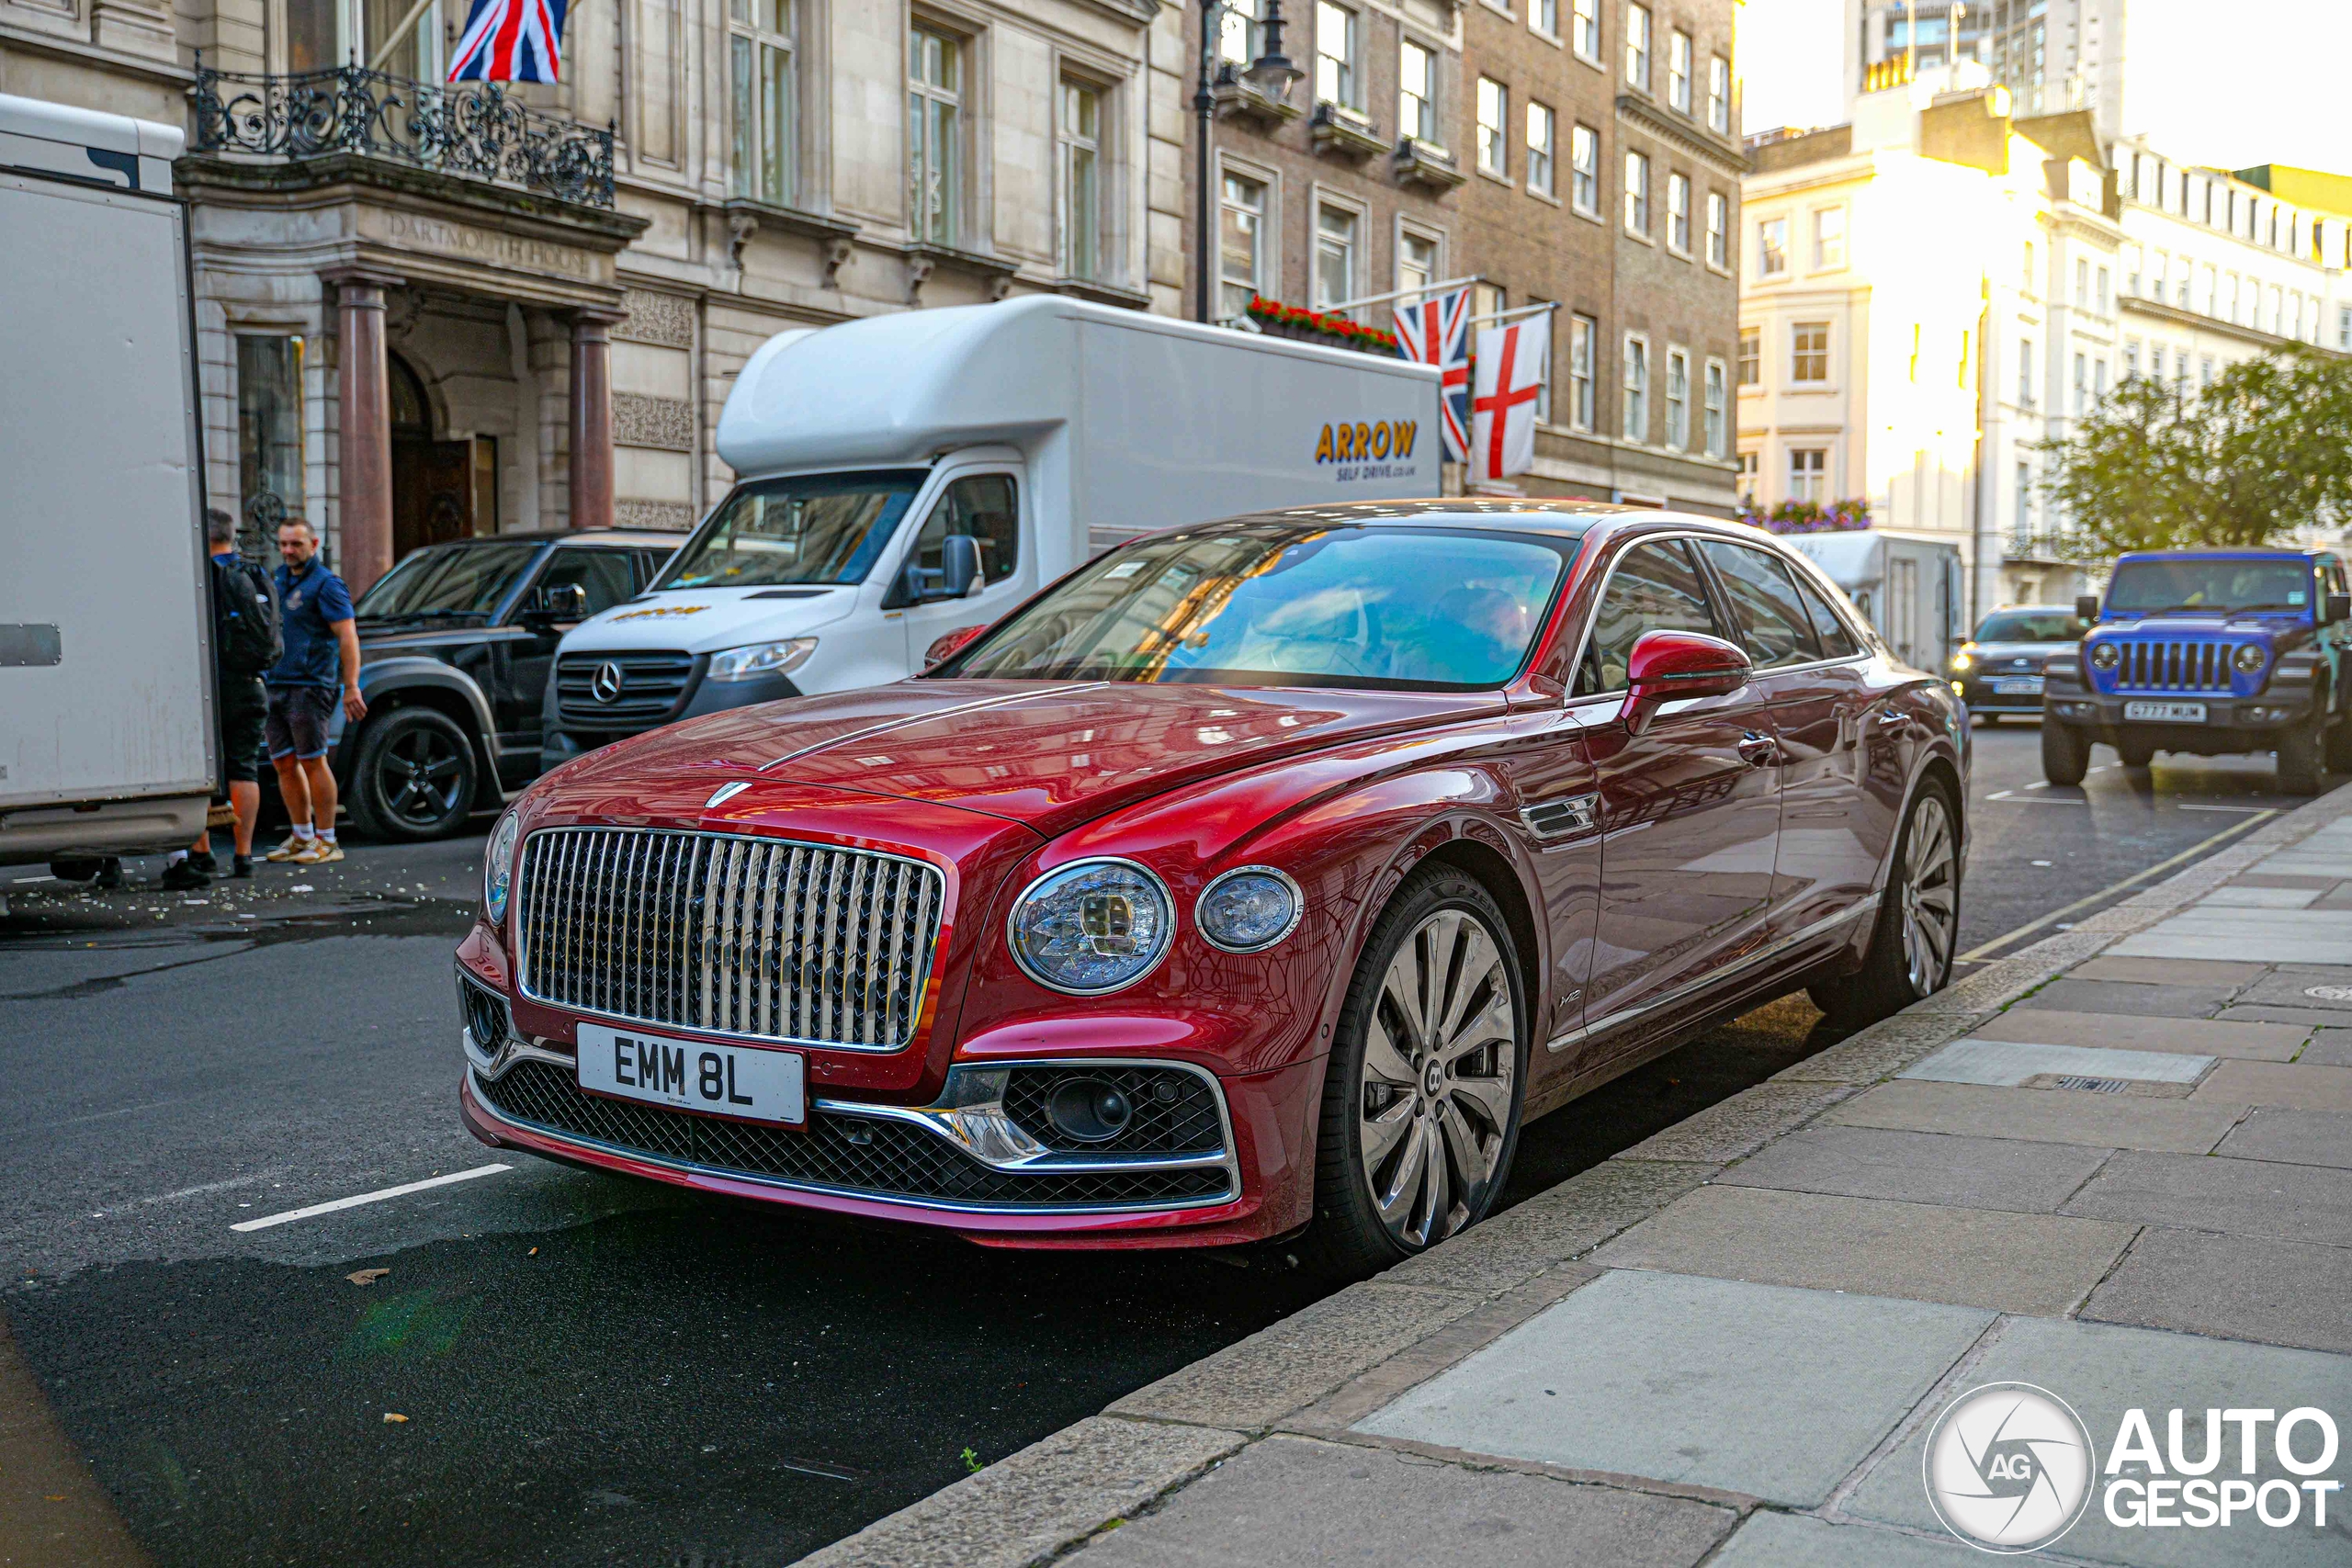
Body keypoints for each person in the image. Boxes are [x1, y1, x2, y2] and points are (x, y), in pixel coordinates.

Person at [164, 510, 278, 889]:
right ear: (231, 536)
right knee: (244, 767)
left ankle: (203, 852)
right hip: (251, 683)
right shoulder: (253, 573)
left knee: (201, 769)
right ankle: (244, 856)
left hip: (209, 687)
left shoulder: (201, 577)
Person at [262, 517, 365, 866]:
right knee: (284, 764)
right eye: (284, 544)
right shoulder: (277, 579)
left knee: (312, 761)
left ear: (315, 545)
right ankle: (302, 834)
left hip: (310, 685)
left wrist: (351, 686)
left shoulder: (327, 584)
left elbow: (348, 636)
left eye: (296, 544)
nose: (288, 551)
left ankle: (327, 839)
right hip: (275, 683)